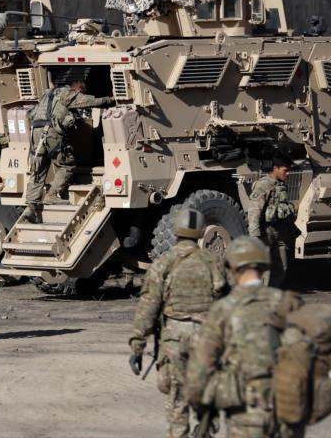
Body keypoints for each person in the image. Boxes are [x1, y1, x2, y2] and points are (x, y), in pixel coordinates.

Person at [186, 236, 305, 438]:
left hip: (246, 414)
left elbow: (200, 369)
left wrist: (203, 411)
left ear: (233, 267)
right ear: (264, 265)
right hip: (288, 409)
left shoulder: (223, 309)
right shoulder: (288, 303)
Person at [128, 208, 230, 438]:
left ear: (176, 231)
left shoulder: (164, 263)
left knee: (177, 396)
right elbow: (226, 300)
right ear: (201, 231)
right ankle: (206, 423)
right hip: (206, 337)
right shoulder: (213, 261)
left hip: (174, 336)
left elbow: (148, 306)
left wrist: (137, 345)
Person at [23, 79, 114, 223]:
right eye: (81, 91)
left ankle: (30, 206)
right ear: (78, 88)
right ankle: (52, 195)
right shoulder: (68, 94)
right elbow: (89, 102)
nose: (80, 94)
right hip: (51, 134)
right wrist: (110, 99)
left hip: (36, 133)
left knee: (38, 170)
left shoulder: (47, 94)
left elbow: (30, 114)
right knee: (67, 165)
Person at [248, 153, 297, 288]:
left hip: (279, 233)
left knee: (282, 267)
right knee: (264, 270)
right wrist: (254, 235)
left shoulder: (280, 185)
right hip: (266, 232)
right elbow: (254, 210)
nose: (287, 174)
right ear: (275, 168)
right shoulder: (264, 185)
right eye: (285, 170)